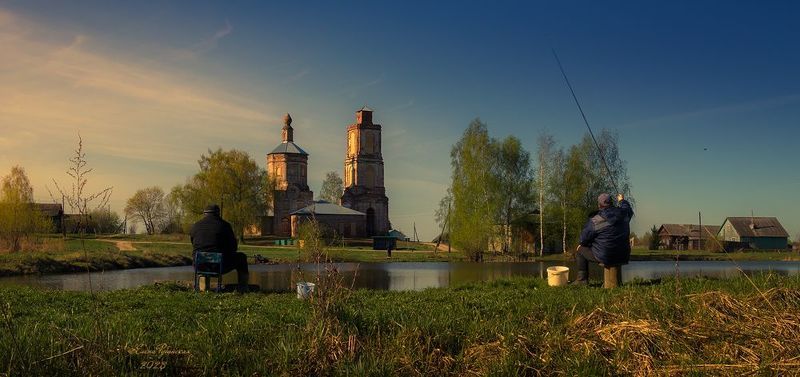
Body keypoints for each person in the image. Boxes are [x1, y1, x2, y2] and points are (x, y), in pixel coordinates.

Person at [572, 193, 633, 285]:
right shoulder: (624, 214)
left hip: (606, 256)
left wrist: (590, 243)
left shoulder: (596, 220)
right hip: (623, 254)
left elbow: (583, 240)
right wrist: (621, 200)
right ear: (611, 203)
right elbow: (627, 208)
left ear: (599, 205)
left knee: (580, 249)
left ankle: (582, 280)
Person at [190, 204, 249, 292]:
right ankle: (243, 287)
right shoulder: (225, 226)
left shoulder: (195, 226)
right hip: (219, 266)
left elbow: (193, 243)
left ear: (204, 214)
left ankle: (203, 288)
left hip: (199, 265)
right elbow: (233, 248)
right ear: (218, 213)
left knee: (202, 258)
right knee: (242, 257)